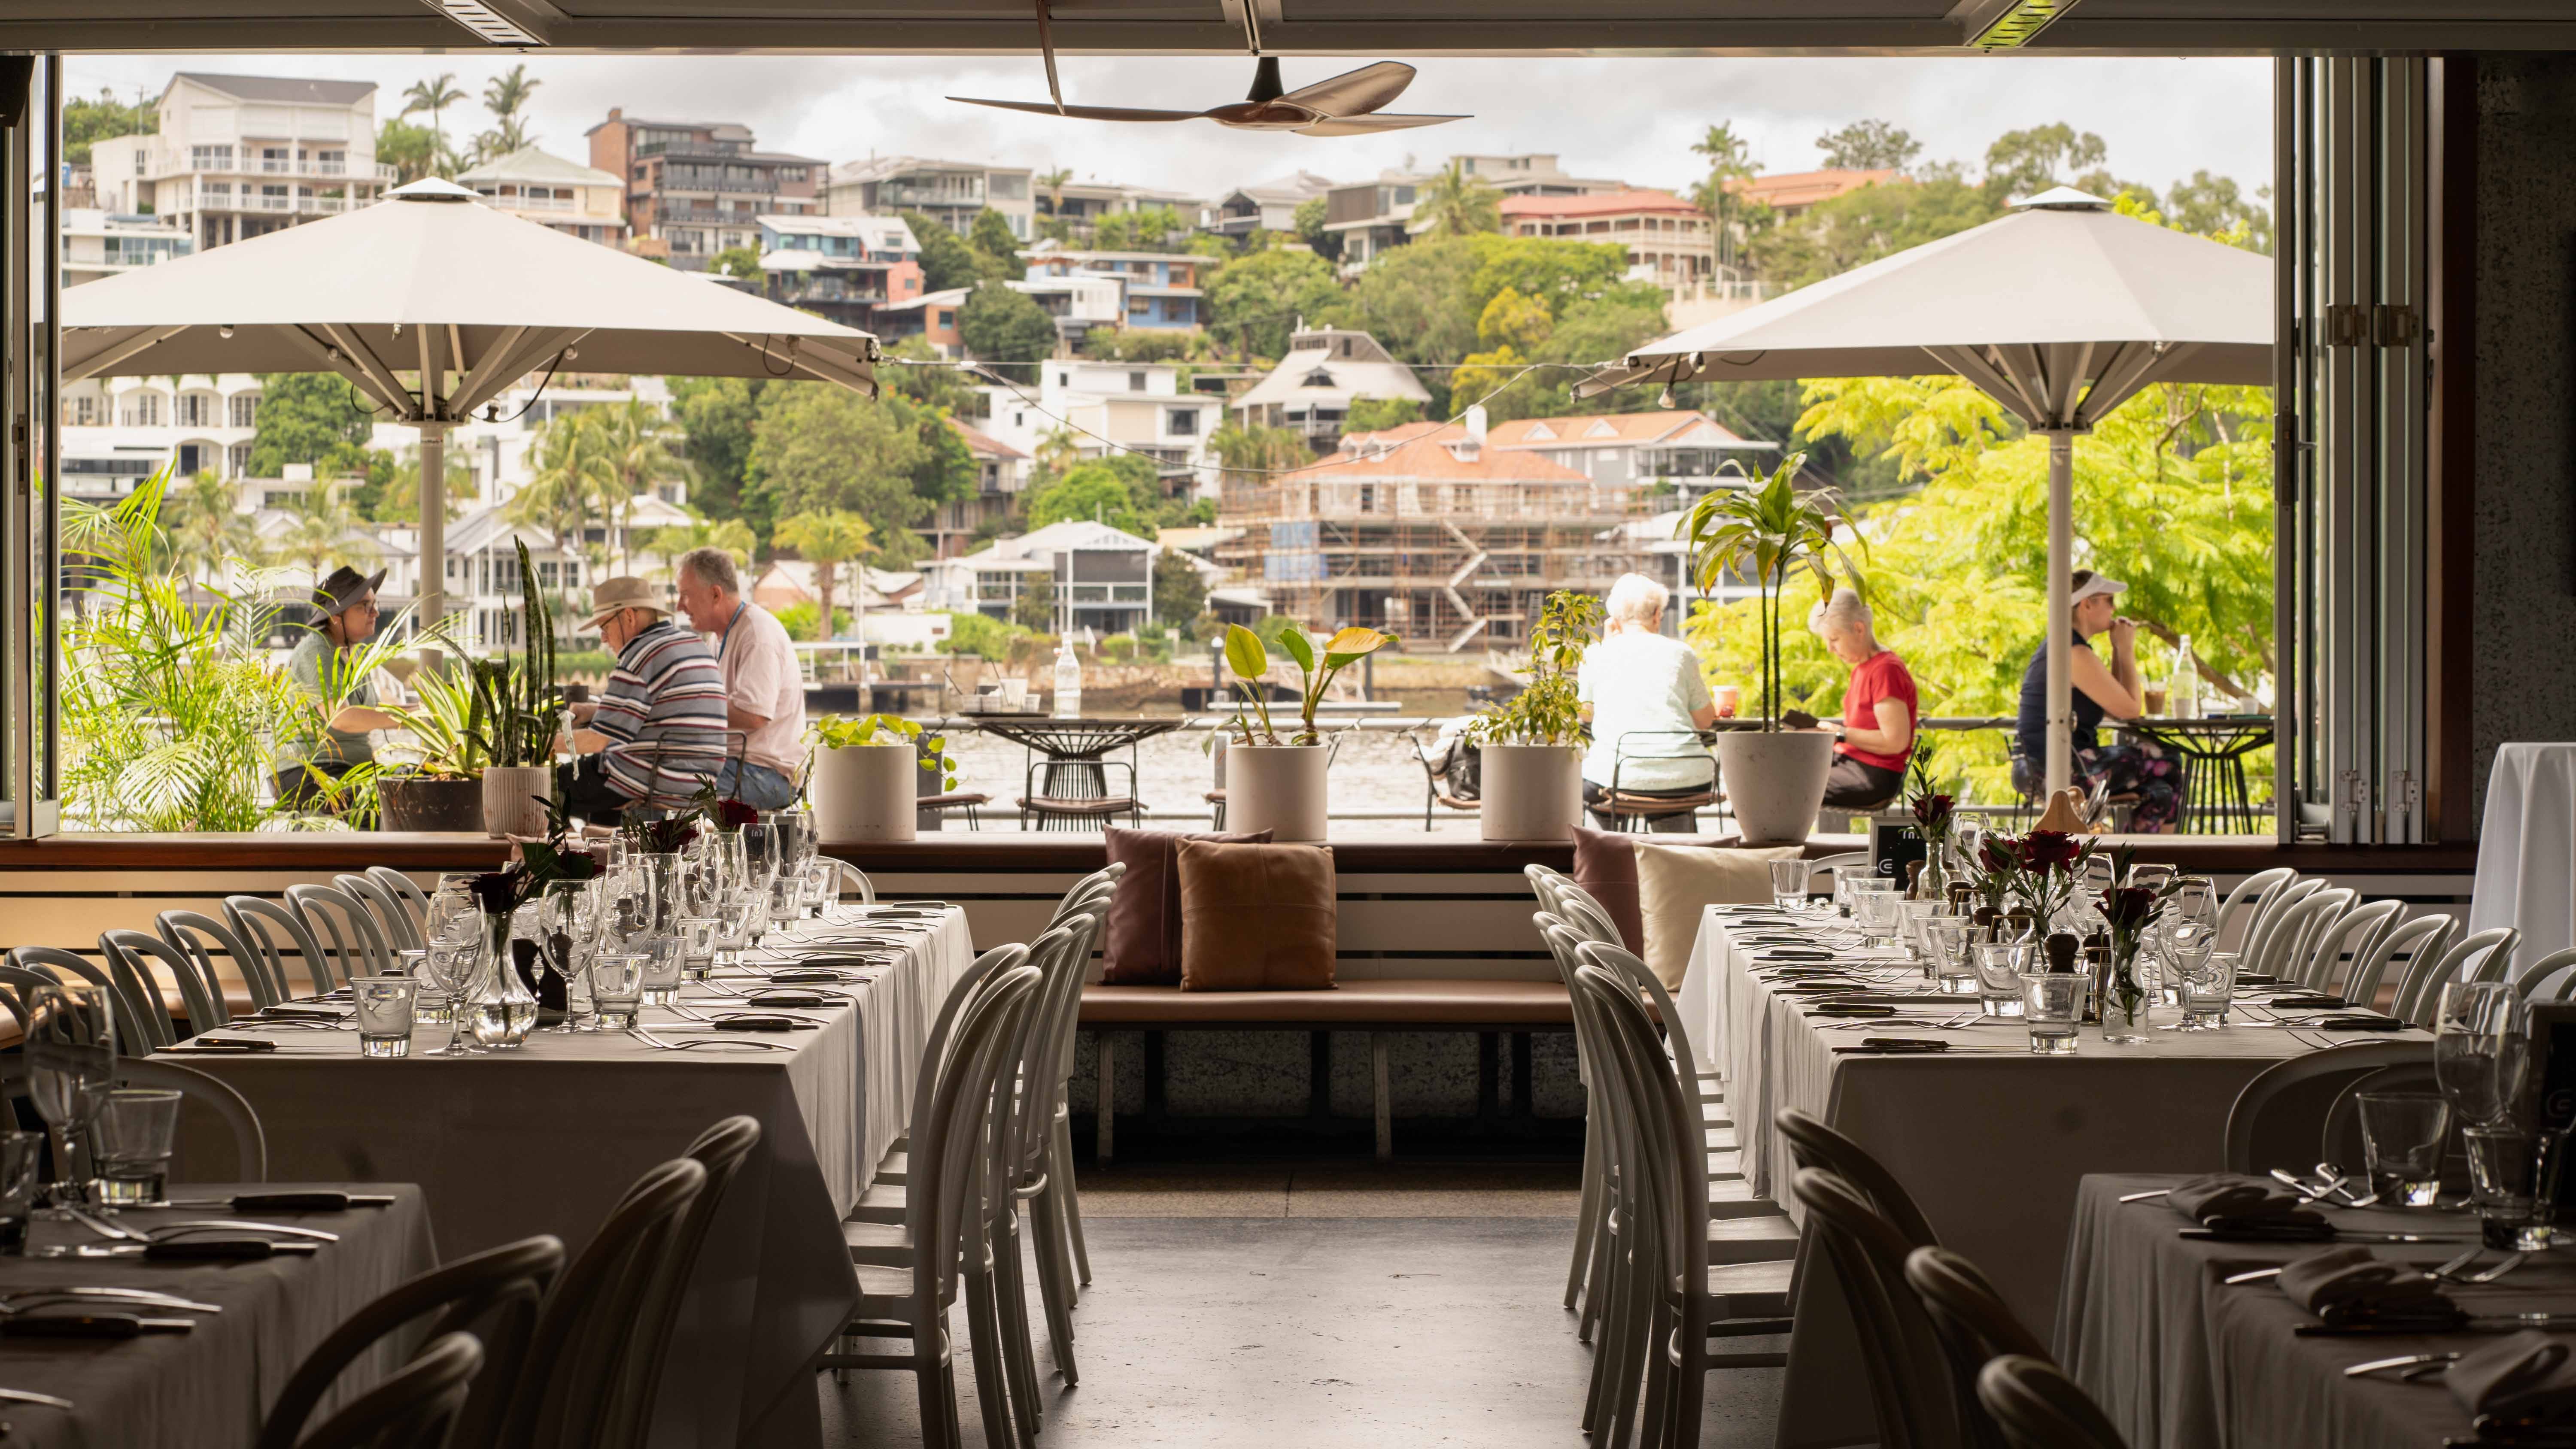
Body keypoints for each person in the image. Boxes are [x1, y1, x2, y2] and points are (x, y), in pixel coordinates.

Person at [2011, 568, 2179, 831]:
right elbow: (2131, 709)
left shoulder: (2066, 645)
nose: (2114, 610)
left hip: (2059, 763)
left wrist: (2117, 650)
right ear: (2087, 604)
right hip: (2056, 768)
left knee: (2161, 792)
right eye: (2110, 601)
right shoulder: (2073, 652)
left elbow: (2116, 703)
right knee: (2167, 759)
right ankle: (2141, 862)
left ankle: (2144, 862)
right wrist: (2126, 651)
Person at [556, 576, 728, 825]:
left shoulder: (638, 654)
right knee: (591, 789)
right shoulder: (691, 644)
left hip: (652, 779)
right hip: (698, 782)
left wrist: (539, 746)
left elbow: (597, 741)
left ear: (628, 616)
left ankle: (531, 858)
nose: (604, 638)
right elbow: (665, 709)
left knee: (542, 787)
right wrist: (597, 711)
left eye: (605, 627)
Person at [1577, 573, 1718, 833]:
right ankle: (1679, 858)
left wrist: (1608, 643)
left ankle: (1604, 858)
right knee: (1670, 796)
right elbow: (1705, 720)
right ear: (1656, 614)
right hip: (1685, 777)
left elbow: (1586, 714)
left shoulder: (1596, 655)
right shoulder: (1681, 653)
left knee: (1592, 787)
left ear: (1615, 619)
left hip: (1615, 778)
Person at [673, 546, 805, 809]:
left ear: (715, 594)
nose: (679, 606)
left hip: (766, 775)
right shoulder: (719, 637)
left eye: (685, 596)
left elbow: (753, 715)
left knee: (663, 784)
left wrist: (680, 708)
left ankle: (633, 848)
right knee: (649, 773)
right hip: (738, 765)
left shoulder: (757, 633)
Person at [274, 565, 401, 809]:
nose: (375, 612)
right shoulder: (317, 651)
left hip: (348, 770)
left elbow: (378, 709)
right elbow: (342, 718)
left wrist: (426, 711)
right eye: (364, 606)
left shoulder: (356, 654)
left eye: (375, 604)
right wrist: (406, 718)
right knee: (391, 811)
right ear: (336, 615)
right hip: (309, 771)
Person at [1808, 588, 1918, 811]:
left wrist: (1838, 733)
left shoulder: (1886, 670)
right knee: (1773, 774)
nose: (1831, 649)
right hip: (1851, 764)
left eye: (1835, 639)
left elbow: (1895, 742)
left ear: (1859, 629)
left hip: (1872, 774)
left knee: (1783, 784)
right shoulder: (1862, 669)